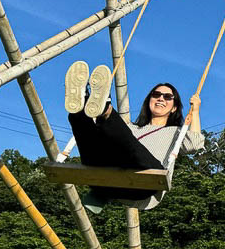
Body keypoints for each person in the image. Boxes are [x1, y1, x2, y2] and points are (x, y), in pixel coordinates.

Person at [64, 61, 204, 211]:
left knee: (128, 142)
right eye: (156, 95)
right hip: (105, 177)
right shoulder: (130, 128)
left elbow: (194, 144)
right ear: (149, 100)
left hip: (144, 181)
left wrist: (195, 112)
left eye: (167, 97)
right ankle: (80, 105)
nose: (161, 99)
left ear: (174, 107)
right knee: (95, 134)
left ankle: (105, 108)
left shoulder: (175, 132)